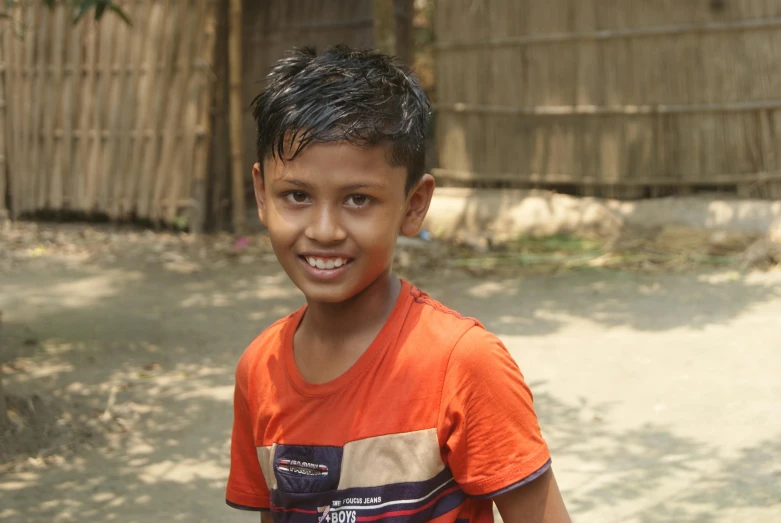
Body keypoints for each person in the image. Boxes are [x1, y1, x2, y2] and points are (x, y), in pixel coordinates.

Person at [225, 45, 570, 523]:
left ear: (413, 205)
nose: (324, 229)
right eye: (297, 195)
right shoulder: (258, 371)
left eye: (358, 199)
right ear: (262, 195)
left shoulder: (463, 364)